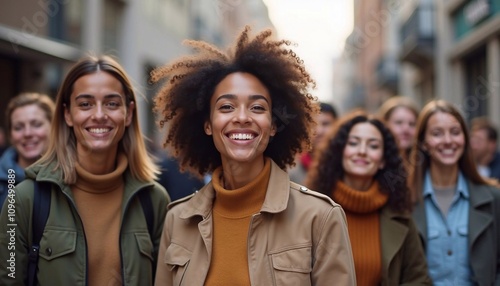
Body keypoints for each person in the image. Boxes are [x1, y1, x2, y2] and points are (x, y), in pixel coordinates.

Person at [152, 26, 356, 285]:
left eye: (257, 107)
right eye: (226, 107)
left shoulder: (320, 217)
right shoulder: (177, 221)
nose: (241, 117)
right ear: (207, 124)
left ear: (272, 125)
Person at [0, 55, 170, 285]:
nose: (99, 115)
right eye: (85, 104)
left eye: (111, 103)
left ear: (128, 113)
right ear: (68, 114)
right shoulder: (24, 199)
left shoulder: (154, 200)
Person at [304, 111, 431, 285]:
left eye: (373, 146)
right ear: (340, 151)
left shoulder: (400, 215)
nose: (362, 151)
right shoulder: (310, 209)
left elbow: (419, 279)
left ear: (383, 160)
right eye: (354, 143)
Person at [408, 100, 500, 285]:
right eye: (437, 133)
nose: (448, 140)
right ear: (424, 143)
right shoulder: (405, 200)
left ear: (465, 140)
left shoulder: (493, 198)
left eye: (455, 132)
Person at [0, 93, 55, 211]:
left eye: (36, 125)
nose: (27, 133)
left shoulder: (71, 177)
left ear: (54, 128)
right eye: (18, 127)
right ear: (10, 135)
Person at [288, 101, 337, 184]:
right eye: (313, 125)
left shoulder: (347, 166)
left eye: (325, 124)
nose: (319, 131)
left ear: (337, 126)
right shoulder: (291, 173)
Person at [469, 116, 500, 181]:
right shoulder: (466, 165)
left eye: (478, 141)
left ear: (492, 144)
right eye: (472, 139)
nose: (473, 145)